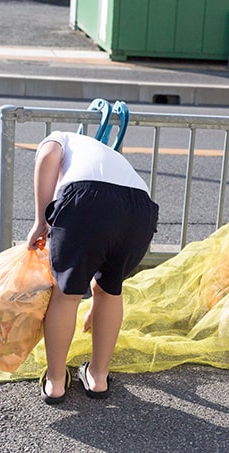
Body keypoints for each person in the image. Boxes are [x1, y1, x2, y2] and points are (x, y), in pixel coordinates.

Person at [26, 130, 158, 404]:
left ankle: (56, 382)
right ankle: (98, 378)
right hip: (140, 210)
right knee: (109, 290)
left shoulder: (58, 138)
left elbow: (49, 155)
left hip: (85, 199)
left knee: (67, 295)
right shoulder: (101, 152)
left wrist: (41, 221)